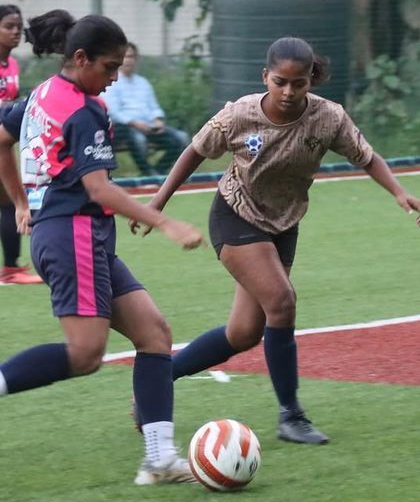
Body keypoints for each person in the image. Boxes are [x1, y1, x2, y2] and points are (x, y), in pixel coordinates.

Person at [133, 36, 420, 445]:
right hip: (235, 216)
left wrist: (397, 191)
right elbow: (195, 151)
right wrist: (158, 202)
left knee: (244, 333)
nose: (288, 91)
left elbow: (366, 156)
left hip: (284, 226)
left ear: (310, 81)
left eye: (298, 83)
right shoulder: (239, 115)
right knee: (282, 302)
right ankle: (292, 416)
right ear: (265, 76)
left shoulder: (328, 118)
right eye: (280, 81)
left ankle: (155, 382)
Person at [0, 9, 205, 486]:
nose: (114, 78)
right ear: (80, 58)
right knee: (85, 354)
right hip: (73, 235)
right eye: (110, 67)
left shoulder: (42, 93)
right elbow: (100, 189)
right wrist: (166, 222)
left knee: (155, 333)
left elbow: (1, 138)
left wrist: (20, 201)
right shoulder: (84, 109)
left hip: (75, 235)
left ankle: (158, 459)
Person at [0, 4, 42, 284]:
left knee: (7, 200)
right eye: (8, 26)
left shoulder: (12, 64)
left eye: (18, 26)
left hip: (3, 142)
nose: (16, 32)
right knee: (8, 200)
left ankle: (11, 268)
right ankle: (11, 269)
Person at [102, 42, 189, 176]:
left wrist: (158, 120)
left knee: (181, 139)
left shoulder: (143, 82)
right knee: (138, 139)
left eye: (131, 57)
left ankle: (157, 172)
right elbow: (113, 112)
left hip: (150, 127)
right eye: (124, 57)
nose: (128, 61)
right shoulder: (112, 81)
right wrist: (136, 124)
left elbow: (154, 107)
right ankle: (148, 172)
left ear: (136, 59)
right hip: (126, 129)